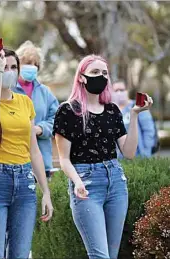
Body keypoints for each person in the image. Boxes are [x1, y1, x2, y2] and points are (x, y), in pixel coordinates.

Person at [53, 55, 153, 259]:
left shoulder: (112, 110)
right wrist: (77, 182)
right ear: (81, 77)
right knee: (100, 256)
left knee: (111, 255)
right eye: (95, 72)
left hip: (116, 182)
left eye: (105, 73)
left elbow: (129, 152)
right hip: (86, 184)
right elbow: (64, 159)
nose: (101, 77)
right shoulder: (68, 111)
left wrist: (134, 115)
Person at [0, 48, 53, 259]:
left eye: (13, 67)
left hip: (25, 183)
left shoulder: (25, 102)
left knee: (20, 254)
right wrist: (0, 71)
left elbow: (33, 150)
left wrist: (45, 191)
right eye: (3, 67)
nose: (9, 71)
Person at [13, 40, 59, 179]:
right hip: (14, 161)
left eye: (35, 64)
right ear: (18, 65)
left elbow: (57, 119)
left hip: (41, 162)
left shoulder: (46, 92)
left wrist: (41, 129)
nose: (32, 67)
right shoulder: (7, 89)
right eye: (27, 63)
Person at [112, 80, 156, 157]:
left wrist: (146, 152)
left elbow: (149, 130)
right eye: (116, 90)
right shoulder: (111, 110)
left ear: (127, 91)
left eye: (122, 90)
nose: (119, 93)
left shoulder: (137, 106)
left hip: (139, 155)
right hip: (120, 158)